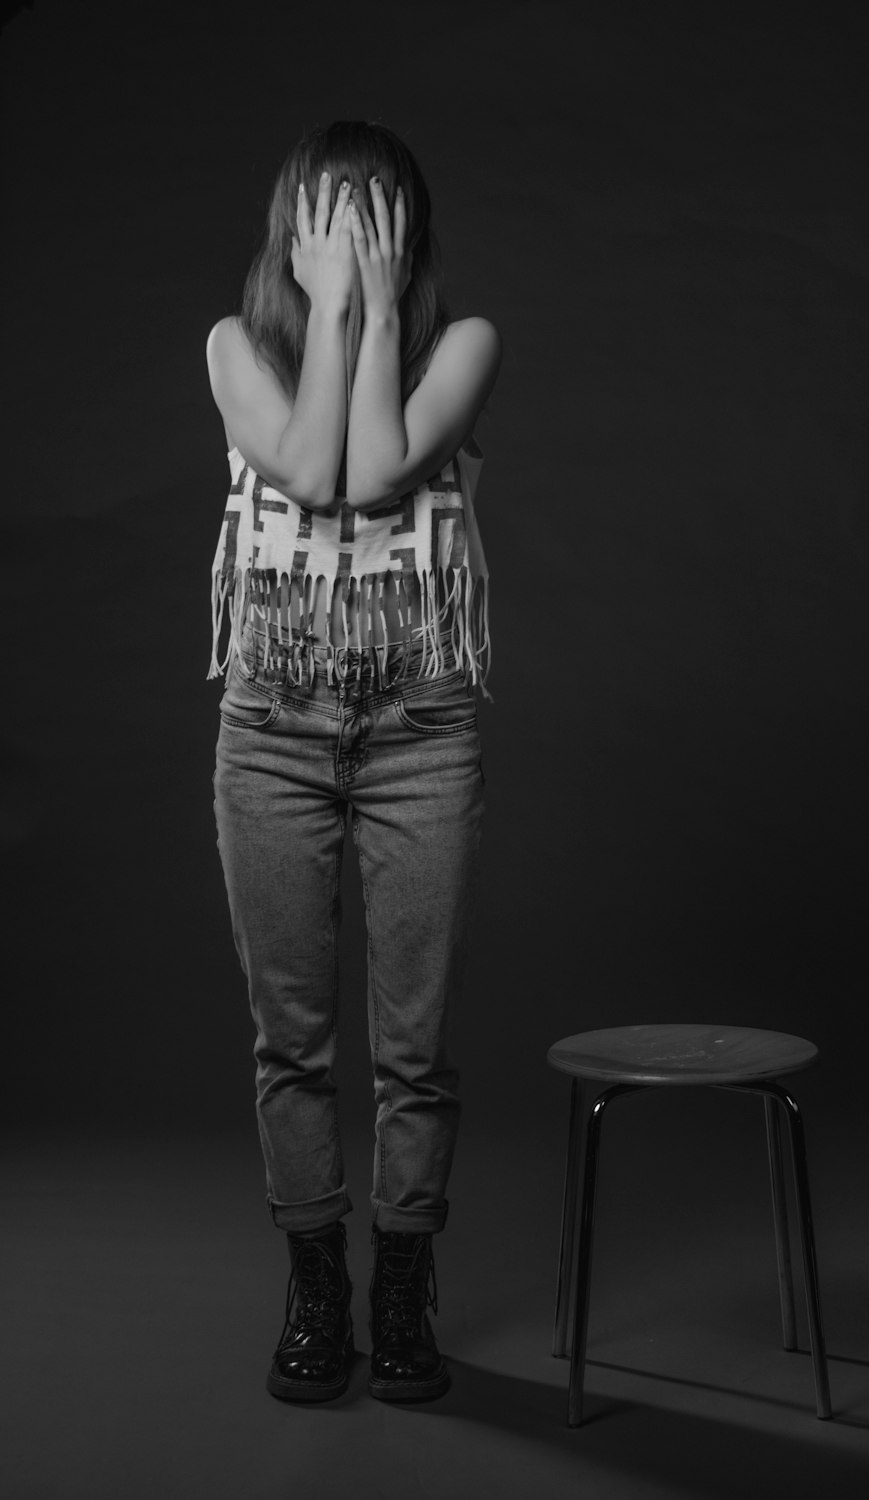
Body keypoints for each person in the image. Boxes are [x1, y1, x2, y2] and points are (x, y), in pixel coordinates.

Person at [205, 119, 502, 1405]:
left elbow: (377, 470)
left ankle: (403, 1279)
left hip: (418, 733)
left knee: (415, 1048)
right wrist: (330, 311)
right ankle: (318, 1277)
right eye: (328, 215)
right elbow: (311, 469)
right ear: (289, 233)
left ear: (408, 236)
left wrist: (374, 310)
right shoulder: (232, 350)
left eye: (374, 216)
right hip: (271, 727)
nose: (350, 237)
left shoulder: (464, 346)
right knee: (292, 1039)